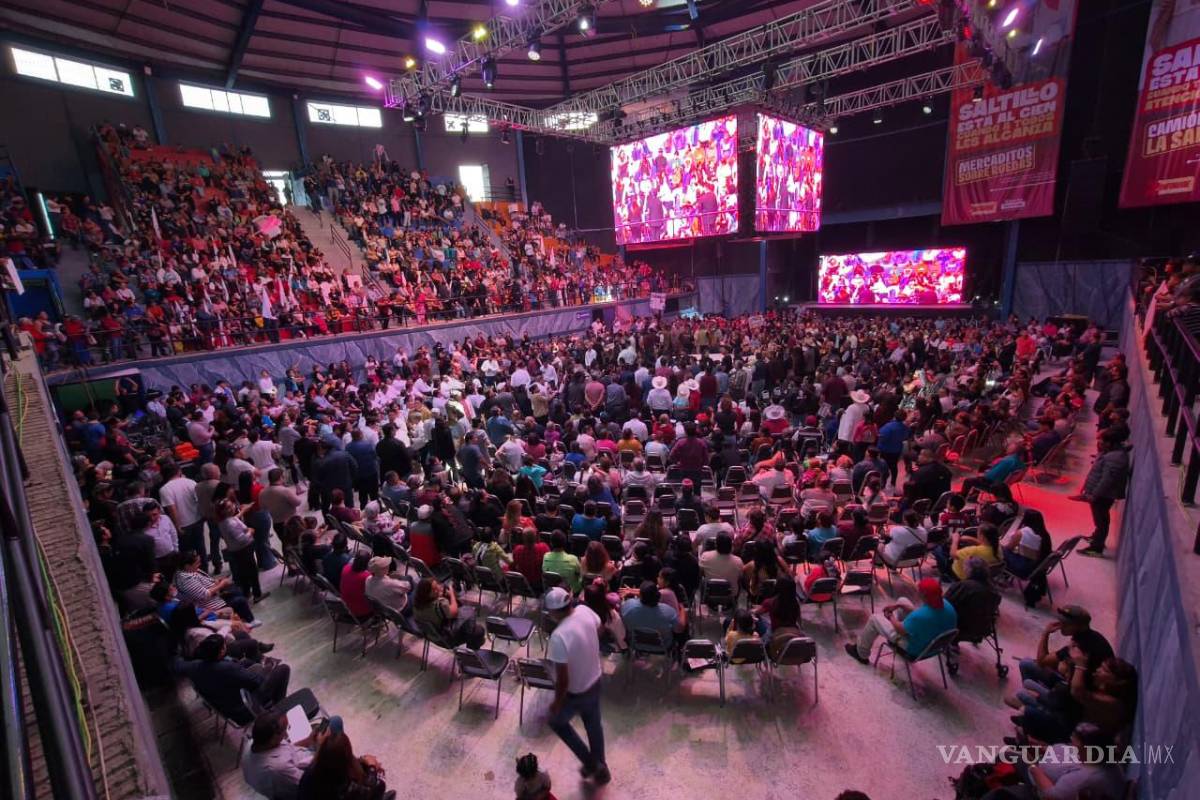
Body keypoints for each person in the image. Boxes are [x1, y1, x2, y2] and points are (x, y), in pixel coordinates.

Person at [543, 587, 611, 786]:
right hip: (595, 679)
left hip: (576, 692)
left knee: (557, 722)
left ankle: (591, 763)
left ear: (554, 612)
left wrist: (557, 702)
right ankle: (601, 768)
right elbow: (600, 628)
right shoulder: (584, 611)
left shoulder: (558, 636)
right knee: (593, 725)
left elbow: (563, 680)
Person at [177, 633, 291, 725]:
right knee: (283, 669)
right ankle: (278, 713)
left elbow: (178, 665)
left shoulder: (195, 665)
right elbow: (257, 682)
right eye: (224, 645)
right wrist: (267, 671)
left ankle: (277, 711)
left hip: (222, 704)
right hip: (244, 710)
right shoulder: (227, 668)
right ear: (221, 651)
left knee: (246, 663)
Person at [844, 577, 957, 664]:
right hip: (932, 644)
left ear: (924, 595)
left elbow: (900, 630)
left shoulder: (921, 616)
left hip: (913, 648)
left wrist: (890, 617)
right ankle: (899, 614)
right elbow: (921, 614)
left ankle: (861, 653)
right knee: (903, 600)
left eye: (919, 590)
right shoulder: (947, 606)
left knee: (874, 619)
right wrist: (898, 605)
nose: (917, 591)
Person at [297, 716, 393, 800]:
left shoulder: (312, 771)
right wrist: (372, 767)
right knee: (380, 787)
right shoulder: (345, 788)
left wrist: (362, 760)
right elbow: (376, 786)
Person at [243, 711, 320, 800]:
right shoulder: (277, 767)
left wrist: (309, 740)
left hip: (301, 761)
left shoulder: (253, 743)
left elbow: (288, 749)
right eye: (285, 730)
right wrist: (321, 749)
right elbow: (308, 783)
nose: (287, 734)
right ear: (273, 738)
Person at [1074, 433, 1130, 556]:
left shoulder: (1115, 458)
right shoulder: (1110, 454)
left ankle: (1096, 548)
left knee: (1101, 521)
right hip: (1101, 494)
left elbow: (1106, 480)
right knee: (1100, 520)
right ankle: (1096, 538)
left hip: (1103, 495)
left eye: (1101, 441)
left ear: (1109, 443)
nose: (1099, 443)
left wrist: (1094, 495)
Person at [411, 577, 484, 648]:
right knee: (478, 631)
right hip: (446, 639)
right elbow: (454, 612)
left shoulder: (416, 606)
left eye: (437, 586)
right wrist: (451, 593)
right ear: (427, 594)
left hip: (431, 636)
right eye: (434, 590)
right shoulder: (440, 604)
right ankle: (472, 654)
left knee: (471, 627)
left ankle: (469, 652)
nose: (438, 589)